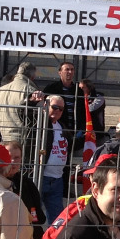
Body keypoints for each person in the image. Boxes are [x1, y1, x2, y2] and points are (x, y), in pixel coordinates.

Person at [0, 61, 43, 144]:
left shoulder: (0, 90)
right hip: (23, 138)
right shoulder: (30, 90)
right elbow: (38, 118)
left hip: (4, 136)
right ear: (32, 77)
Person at [40, 95, 70, 223]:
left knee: (58, 220)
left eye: (61, 109)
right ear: (46, 106)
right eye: (55, 107)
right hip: (41, 177)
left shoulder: (62, 126)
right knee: (33, 216)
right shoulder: (39, 123)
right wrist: (32, 100)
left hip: (57, 179)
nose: (57, 111)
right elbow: (24, 113)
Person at [42, 60, 85, 141]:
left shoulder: (78, 90)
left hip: (75, 129)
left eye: (72, 69)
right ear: (60, 72)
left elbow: (83, 110)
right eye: (67, 69)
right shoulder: (52, 88)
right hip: (56, 127)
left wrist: (82, 128)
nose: (70, 72)